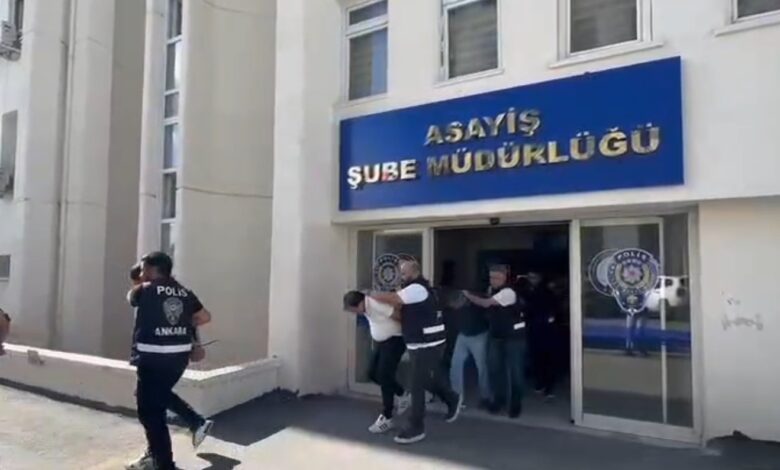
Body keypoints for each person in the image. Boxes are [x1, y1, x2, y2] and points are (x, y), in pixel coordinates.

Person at [125, 252, 213, 470]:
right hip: (178, 359)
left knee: (150, 412)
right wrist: (183, 325)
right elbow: (204, 317)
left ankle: (163, 463)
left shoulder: (145, 289)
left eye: (143, 269)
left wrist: (139, 282)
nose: (142, 273)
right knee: (157, 397)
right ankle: (191, 426)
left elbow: (131, 298)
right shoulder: (184, 292)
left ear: (151, 269)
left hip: (152, 358)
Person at [369, 260, 462, 445]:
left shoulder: (417, 288)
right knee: (423, 379)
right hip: (419, 342)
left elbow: (395, 299)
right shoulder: (412, 289)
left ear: (414, 272)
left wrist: (372, 294)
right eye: (401, 273)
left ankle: (416, 427)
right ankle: (451, 398)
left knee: (416, 385)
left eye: (404, 273)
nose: (401, 276)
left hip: (427, 343)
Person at [343, 290, 411, 434]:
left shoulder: (376, 305)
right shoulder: (365, 306)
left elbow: (399, 316)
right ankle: (403, 394)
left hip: (394, 340)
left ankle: (387, 417)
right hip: (383, 342)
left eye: (354, 310)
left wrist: (409, 332)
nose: (355, 313)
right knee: (372, 373)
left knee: (384, 375)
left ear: (360, 303)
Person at [464, 265, 526, 418]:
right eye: (491, 277)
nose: (493, 280)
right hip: (497, 336)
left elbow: (486, 303)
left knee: (515, 372)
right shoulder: (492, 290)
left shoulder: (508, 292)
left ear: (504, 277)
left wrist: (467, 295)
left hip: (514, 338)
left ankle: (515, 406)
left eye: (497, 277)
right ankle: (499, 401)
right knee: (496, 371)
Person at [447, 289, 492, 409]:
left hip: (479, 336)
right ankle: (457, 396)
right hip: (463, 336)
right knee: (455, 365)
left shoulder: (477, 305)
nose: (455, 308)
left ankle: (485, 397)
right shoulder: (455, 308)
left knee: (482, 367)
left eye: (456, 305)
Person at [523, 272, 558, 399]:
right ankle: (544, 385)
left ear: (539, 278)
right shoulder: (531, 291)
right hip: (540, 329)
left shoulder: (542, 292)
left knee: (543, 359)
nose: (531, 279)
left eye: (533, 277)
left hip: (542, 330)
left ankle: (545, 386)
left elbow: (552, 311)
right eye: (529, 277)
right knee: (541, 359)